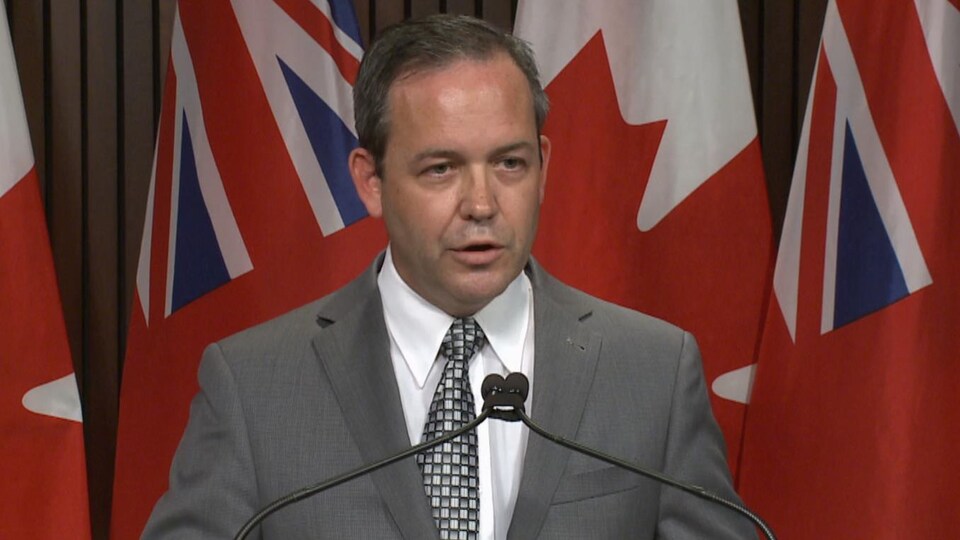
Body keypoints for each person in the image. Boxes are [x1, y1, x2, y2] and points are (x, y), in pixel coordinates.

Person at [143, 14, 757, 540]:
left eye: (510, 163)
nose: (482, 203)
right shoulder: (254, 388)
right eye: (441, 169)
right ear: (370, 182)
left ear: (543, 165)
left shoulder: (652, 372)